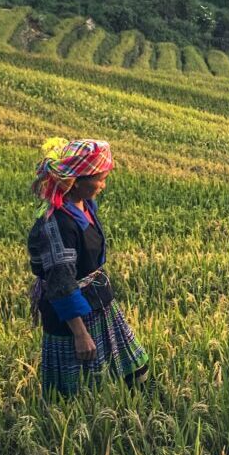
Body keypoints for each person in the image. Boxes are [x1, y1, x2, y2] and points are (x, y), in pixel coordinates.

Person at [28, 137, 148, 396]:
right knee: (71, 390)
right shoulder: (56, 224)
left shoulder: (83, 206)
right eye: (100, 179)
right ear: (76, 181)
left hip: (99, 302)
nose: (103, 185)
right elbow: (61, 283)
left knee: (136, 369)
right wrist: (80, 334)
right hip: (71, 316)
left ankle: (142, 411)